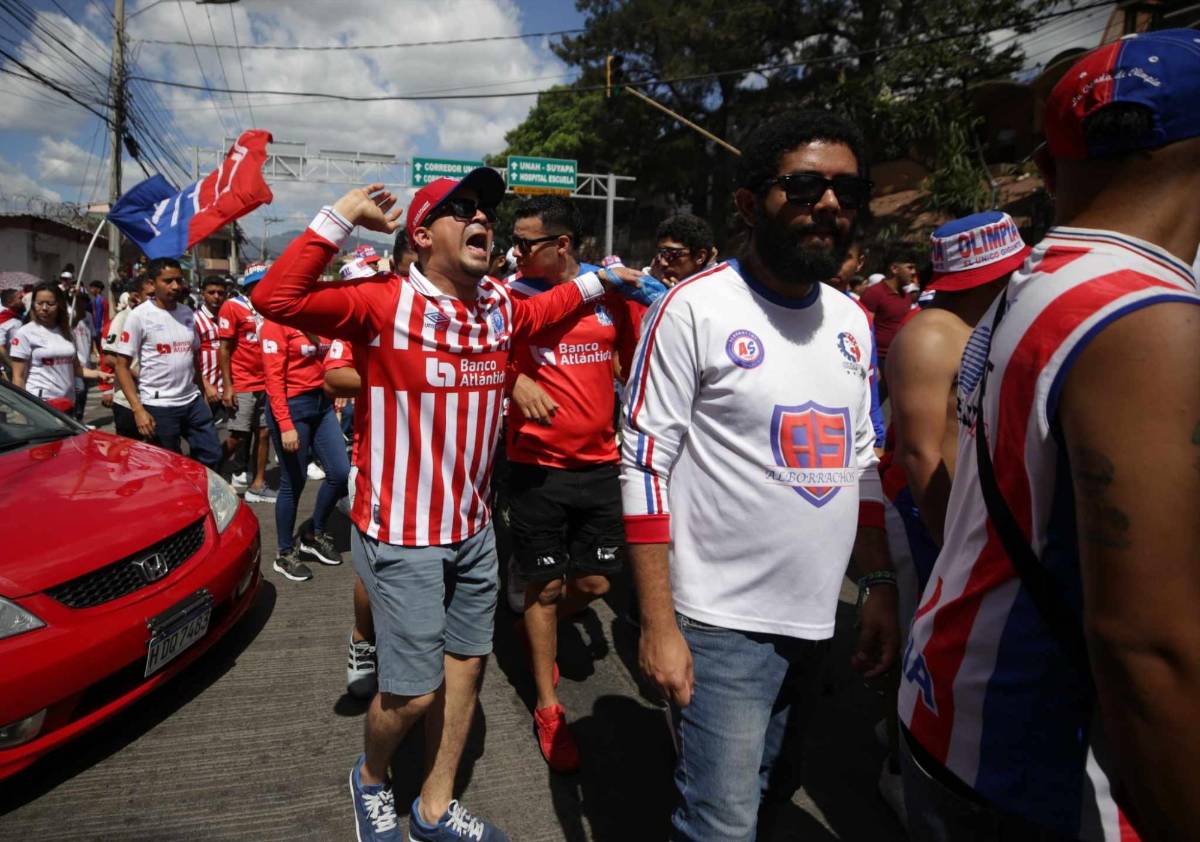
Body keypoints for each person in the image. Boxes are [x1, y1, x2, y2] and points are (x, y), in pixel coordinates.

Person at [252, 170, 638, 842]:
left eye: (483, 208)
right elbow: (275, 297)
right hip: (402, 533)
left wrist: (611, 278)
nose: (480, 217)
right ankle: (371, 776)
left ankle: (433, 807)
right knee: (415, 693)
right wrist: (339, 215)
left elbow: (553, 305)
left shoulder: (500, 307)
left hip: (475, 531)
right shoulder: (382, 302)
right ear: (423, 236)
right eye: (459, 210)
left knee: (467, 669)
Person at [900, 30, 1200, 842]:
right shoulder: (1143, 317)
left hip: (954, 709)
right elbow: (1148, 645)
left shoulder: (1035, 279)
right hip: (1037, 762)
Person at [622, 110, 898, 841]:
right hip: (719, 626)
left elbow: (863, 461)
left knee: (775, 793)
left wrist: (876, 585)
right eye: (805, 186)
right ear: (749, 205)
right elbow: (645, 464)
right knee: (719, 823)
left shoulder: (852, 319)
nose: (830, 205)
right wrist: (658, 624)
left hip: (815, 625)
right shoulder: (692, 309)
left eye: (847, 190)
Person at [504, 195, 639, 773]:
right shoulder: (509, 294)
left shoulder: (613, 295)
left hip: (601, 465)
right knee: (547, 587)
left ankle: (540, 629)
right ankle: (548, 704)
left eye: (525, 243)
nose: (513, 252)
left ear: (562, 245)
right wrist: (513, 382)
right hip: (536, 469)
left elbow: (634, 362)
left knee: (597, 582)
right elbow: (482, 353)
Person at [260, 318, 350, 582]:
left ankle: (313, 533)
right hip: (291, 407)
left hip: (321, 405)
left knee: (340, 472)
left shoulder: (321, 318)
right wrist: (285, 424)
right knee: (294, 482)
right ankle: (285, 553)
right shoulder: (276, 324)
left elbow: (333, 358)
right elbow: (273, 379)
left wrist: (337, 389)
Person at [111, 258, 221, 467]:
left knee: (212, 455)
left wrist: (203, 391)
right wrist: (138, 410)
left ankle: (202, 497)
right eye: (168, 281)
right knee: (168, 467)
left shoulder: (187, 313)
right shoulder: (139, 316)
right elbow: (121, 366)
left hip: (192, 401)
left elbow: (193, 358)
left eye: (179, 280)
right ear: (152, 284)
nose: (176, 286)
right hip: (159, 406)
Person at [322, 337, 378, 699]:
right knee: (374, 570)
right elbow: (335, 378)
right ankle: (363, 638)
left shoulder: (465, 310)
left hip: (445, 471)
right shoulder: (374, 308)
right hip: (379, 468)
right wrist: (410, 372)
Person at [219, 263, 275, 502]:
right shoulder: (233, 307)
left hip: (267, 382)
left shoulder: (270, 306)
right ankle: (214, 475)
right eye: (260, 282)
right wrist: (228, 385)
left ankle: (258, 484)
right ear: (250, 284)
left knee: (264, 434)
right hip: (243, 382)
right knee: (237, 436)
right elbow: (224, 348)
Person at [11, 281, 109, 412]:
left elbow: (76, 369)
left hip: (68, 402)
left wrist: (99, 374)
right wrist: (24, 410)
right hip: (41, 404)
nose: (44, 308)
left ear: (59, 305)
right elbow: (18, 377)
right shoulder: (25, 333)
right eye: (39, 303)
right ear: (33, 305)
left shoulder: (66, 331)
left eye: (50, 304)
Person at [859, 242, 920, 401]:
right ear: (894, 269)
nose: (913, 273)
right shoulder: (875, 293)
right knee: (870, 406)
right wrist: (871, 363)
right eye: (909, 267)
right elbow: (863, 329)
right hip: (878, 361)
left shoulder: (906, 296)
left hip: (899, 359)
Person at [100, 274, 155, 436]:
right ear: (136, 296)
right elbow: (109, 358)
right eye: (150, 296)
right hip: (127, 401)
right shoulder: (123, 318)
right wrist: (136, 373)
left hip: (154, 398)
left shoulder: (157, 317)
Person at [651, 213, 718, 287]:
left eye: (673, 254)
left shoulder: (718, 288)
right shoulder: (648, 281)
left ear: (700, 257)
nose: (663, 263)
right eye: (661, 253)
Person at [194, 276, 226, 414]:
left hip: (227, 390)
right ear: (203, 294)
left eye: (220, 293)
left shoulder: (228, 317)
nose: (216, 297)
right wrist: (206, 386)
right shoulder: (194, 320)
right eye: (211, 292)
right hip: (204, 390)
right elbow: (190, 358)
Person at [70, 290, 94, 420]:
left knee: (84, 393)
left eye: (84, 301)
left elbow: (92, 335)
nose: (82, 303)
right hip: (76, 362)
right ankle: (75, 416)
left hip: (87, 361)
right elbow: (77, 316)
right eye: (80, 301)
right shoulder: (70, 315)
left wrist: (95, 350)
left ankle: (80, 418)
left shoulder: (89, 316)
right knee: (80, 390)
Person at [0, 288, 27, 378]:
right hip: (9, 373)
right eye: (20, 298)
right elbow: (0, 348)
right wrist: (14, 367)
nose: (23, 301)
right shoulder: (3, 321)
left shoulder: (18, 318)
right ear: (10, 302)